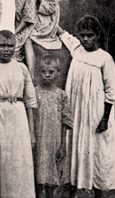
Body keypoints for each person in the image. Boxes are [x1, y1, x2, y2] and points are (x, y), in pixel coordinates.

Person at [57, 16, 115, 198]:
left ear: (97, 35)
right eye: (82, 35)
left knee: (97, 151)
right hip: (76, 110)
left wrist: (105, 119)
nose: (85, 39)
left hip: (95, 114)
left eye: (90, 35)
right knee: (74, 147)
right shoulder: (76, 49)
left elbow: (110, 92)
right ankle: (72, 189)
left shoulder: (104, 58)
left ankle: (98, 192)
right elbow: (61, 32)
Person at [0, 30, 37, 198]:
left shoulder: (22, 68)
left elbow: (30, 101)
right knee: (2, 163)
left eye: (10, 46)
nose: (6, 49)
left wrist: (32, 132)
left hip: (19, 119)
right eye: (2, 45)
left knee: (20, 163)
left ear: (16, 47)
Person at [34, 55, 73, 198]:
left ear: (58, 72)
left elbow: (66, 121)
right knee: (38, 174)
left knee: (52, 175)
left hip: (54, 141)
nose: (47, 75)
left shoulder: (61, 95)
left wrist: (62, 144)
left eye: (51, 72)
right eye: (43, 71)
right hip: (38, 138)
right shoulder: (34, 92)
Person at [9, 0, 37, 77]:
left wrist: (15, 32)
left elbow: (27, 19)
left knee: (27, 43)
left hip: (24, 25)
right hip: (10, 22)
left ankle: (31, 75)